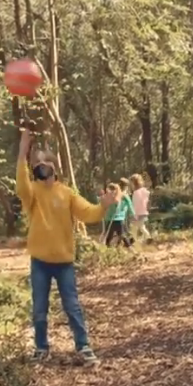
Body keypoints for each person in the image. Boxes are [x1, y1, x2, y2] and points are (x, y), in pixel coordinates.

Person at [17, 130, 117, 364]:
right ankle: (41, 349)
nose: (41, 166)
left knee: (72, 306)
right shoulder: (32, 191)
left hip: (64, 262)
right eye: (38, 163)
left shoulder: (66, 193)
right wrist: (23, 152)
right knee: (39, 309)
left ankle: (83, 347)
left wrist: (103, 206)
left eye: (45, 162)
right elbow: (21, 186)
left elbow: (88, 213)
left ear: (54, 166)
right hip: (40, 261)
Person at [103, 182, 134, 248]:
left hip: (117, 219)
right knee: (110, 236)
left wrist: (132, 213)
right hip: (111, 219)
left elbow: (118, 205)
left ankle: (130, 248)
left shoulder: (119, 197)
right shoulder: (111, 197)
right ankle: (108, 249)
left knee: (121, 234)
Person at [130, 174, 152, 243]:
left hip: (137, 213)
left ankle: (135, 240)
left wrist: (134, 214)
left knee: (135, 227)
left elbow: (135, 204)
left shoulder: (136, 193)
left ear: (133, 183)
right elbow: (147, 201)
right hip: (144, 211)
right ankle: (146, 237)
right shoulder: (145, 191)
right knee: (141, 226)